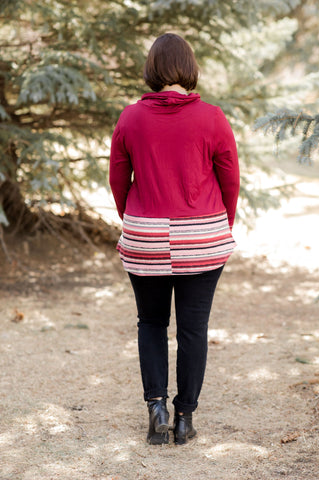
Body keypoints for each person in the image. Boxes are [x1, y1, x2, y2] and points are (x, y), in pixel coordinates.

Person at [109, 33, 240, 445]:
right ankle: (184, 419)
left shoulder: (130, 118)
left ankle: (156, 409)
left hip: (146, 233)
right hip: (202, 235)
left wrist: (134, 219)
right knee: (193, 329)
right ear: (189, 68)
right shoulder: (213, 118)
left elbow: (118, 180)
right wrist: (223, 225)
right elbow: (230, 179)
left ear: (151, 69)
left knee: (150, 321)